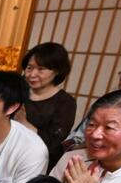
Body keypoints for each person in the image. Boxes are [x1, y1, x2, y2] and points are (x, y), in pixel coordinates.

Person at [13, 43, 77, 171]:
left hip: (39, 163)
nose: (32, 74)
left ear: (57, 71)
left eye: (41, 69)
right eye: (29, 68)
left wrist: (25, 124)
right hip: (9, 155)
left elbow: (53, 143)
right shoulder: (17, 92)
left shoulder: (65, 102)